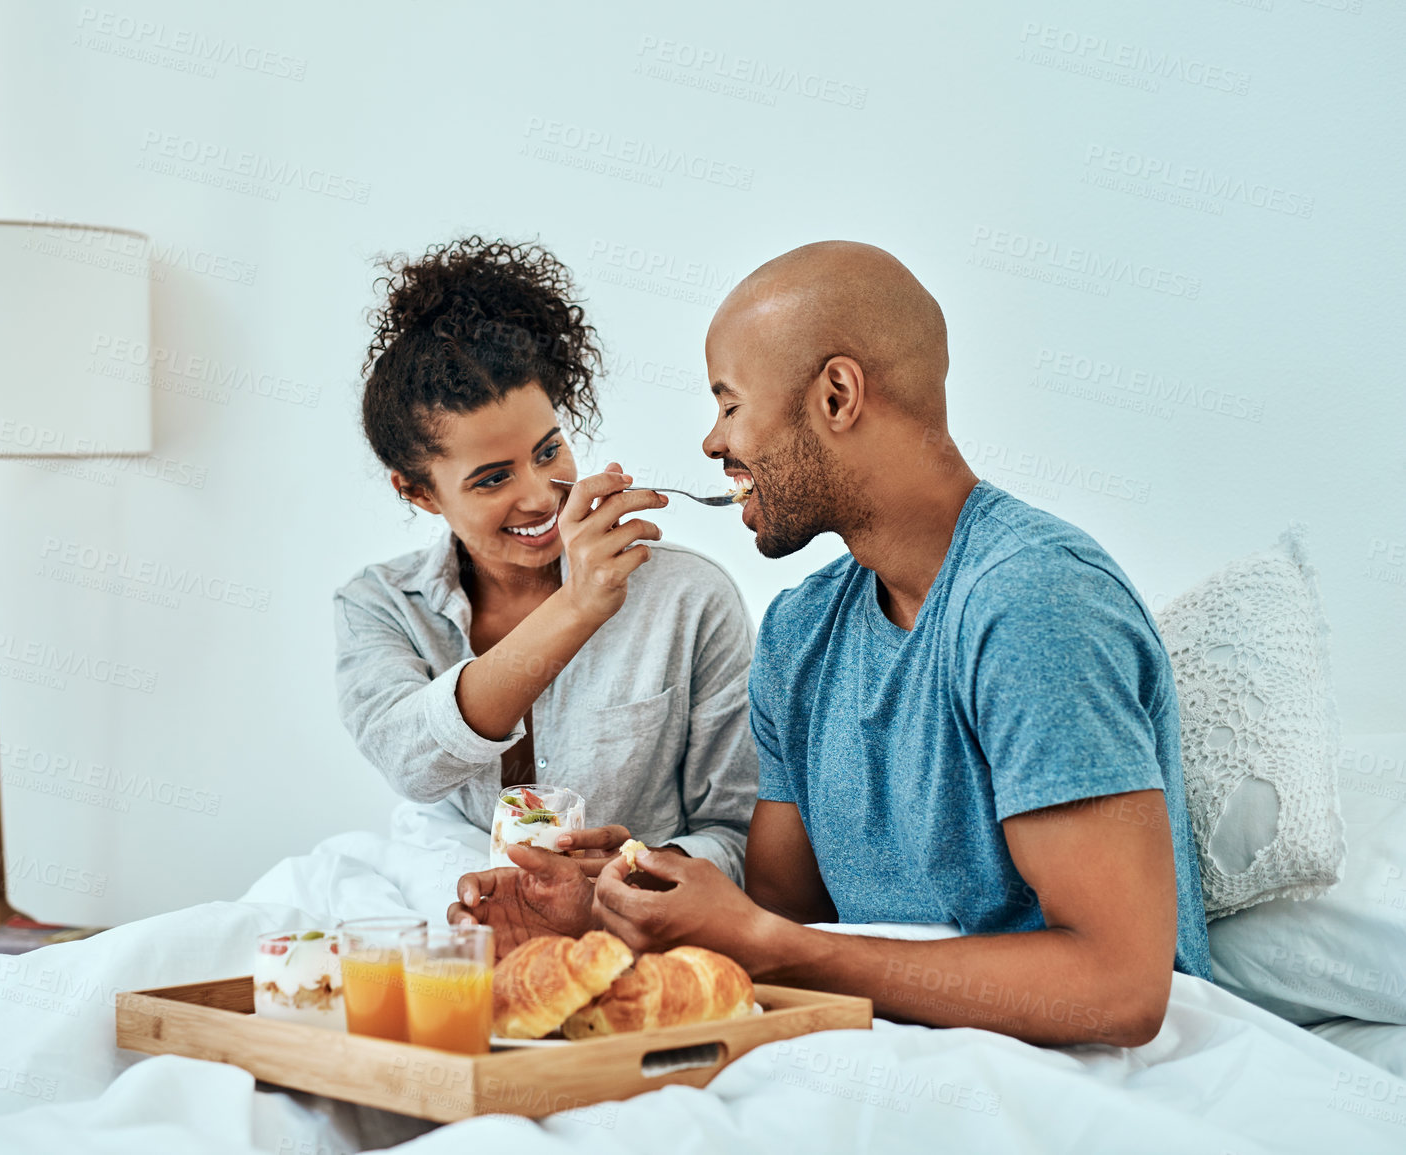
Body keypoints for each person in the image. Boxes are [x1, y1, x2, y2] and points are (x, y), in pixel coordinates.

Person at [468, 240, 1211, 1047]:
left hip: (1091, 1073)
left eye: (728, 403)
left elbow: (1118, 989)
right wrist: (623, 897)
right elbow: (785, 920)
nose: (713, 444)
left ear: (836, 395)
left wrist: (767, 942)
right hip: (887, 1049)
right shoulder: (799, 632)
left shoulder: (1032, 601)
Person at [336, 237, 757, 924]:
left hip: (629, 930)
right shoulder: (379, 604)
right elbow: (413, 763)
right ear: (417, 492)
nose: (539, 496)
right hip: (442, 921)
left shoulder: (688, 600)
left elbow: (739, 838)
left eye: (547, 450)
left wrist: (625, 878)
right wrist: (578, 606)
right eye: (493, 477)